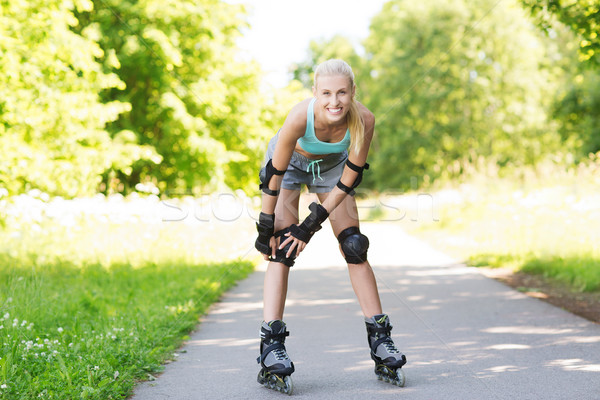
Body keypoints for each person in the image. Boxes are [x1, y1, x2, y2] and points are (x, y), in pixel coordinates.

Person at [255, 59, 406, 394]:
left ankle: (381, 340)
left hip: (334, 168)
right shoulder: (299, 117)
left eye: (341, 92)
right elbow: (273, 176)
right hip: (290, 164)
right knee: (281, 247)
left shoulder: (364, 119)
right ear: (314, 93)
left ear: (353, 92)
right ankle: (271, 346)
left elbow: (350, 178)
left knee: (354, 245)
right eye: (326, 93)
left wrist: (311, 224)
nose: (334, 101)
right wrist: (266, 226)